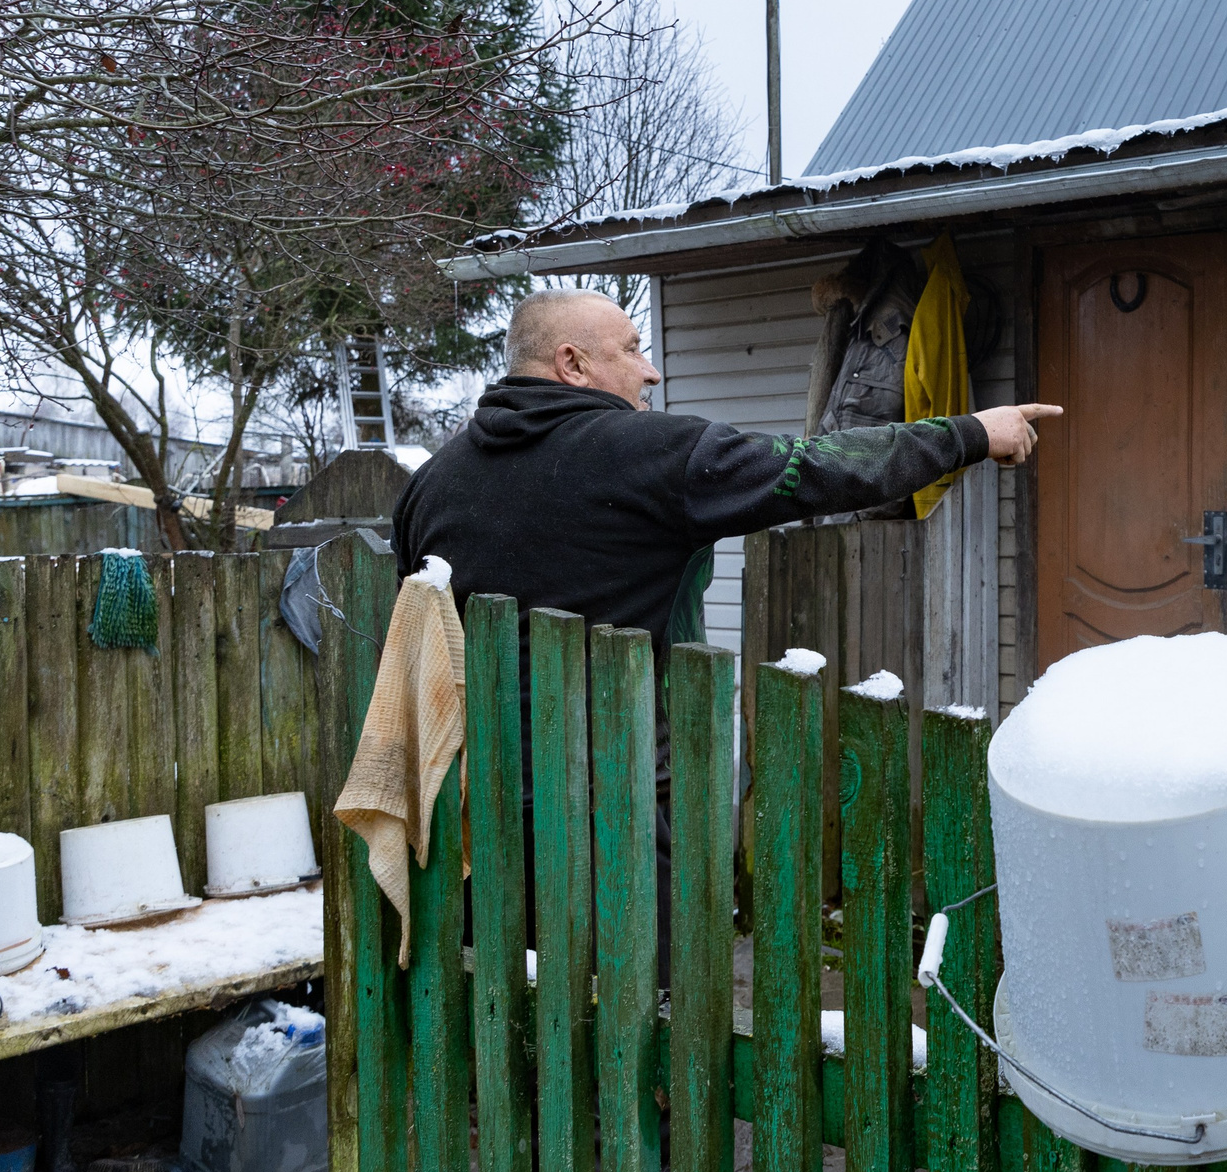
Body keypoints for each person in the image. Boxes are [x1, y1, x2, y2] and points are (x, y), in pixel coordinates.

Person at [393, 286, 1059, 973]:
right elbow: (818, 468)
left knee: (505, 1019)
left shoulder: (432, 484)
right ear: (572, 363)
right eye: (630, 349)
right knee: (637, 1026)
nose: (649, 369)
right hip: (616, 824)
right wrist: (970, 433)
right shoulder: (648, 452)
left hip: (473, 826)